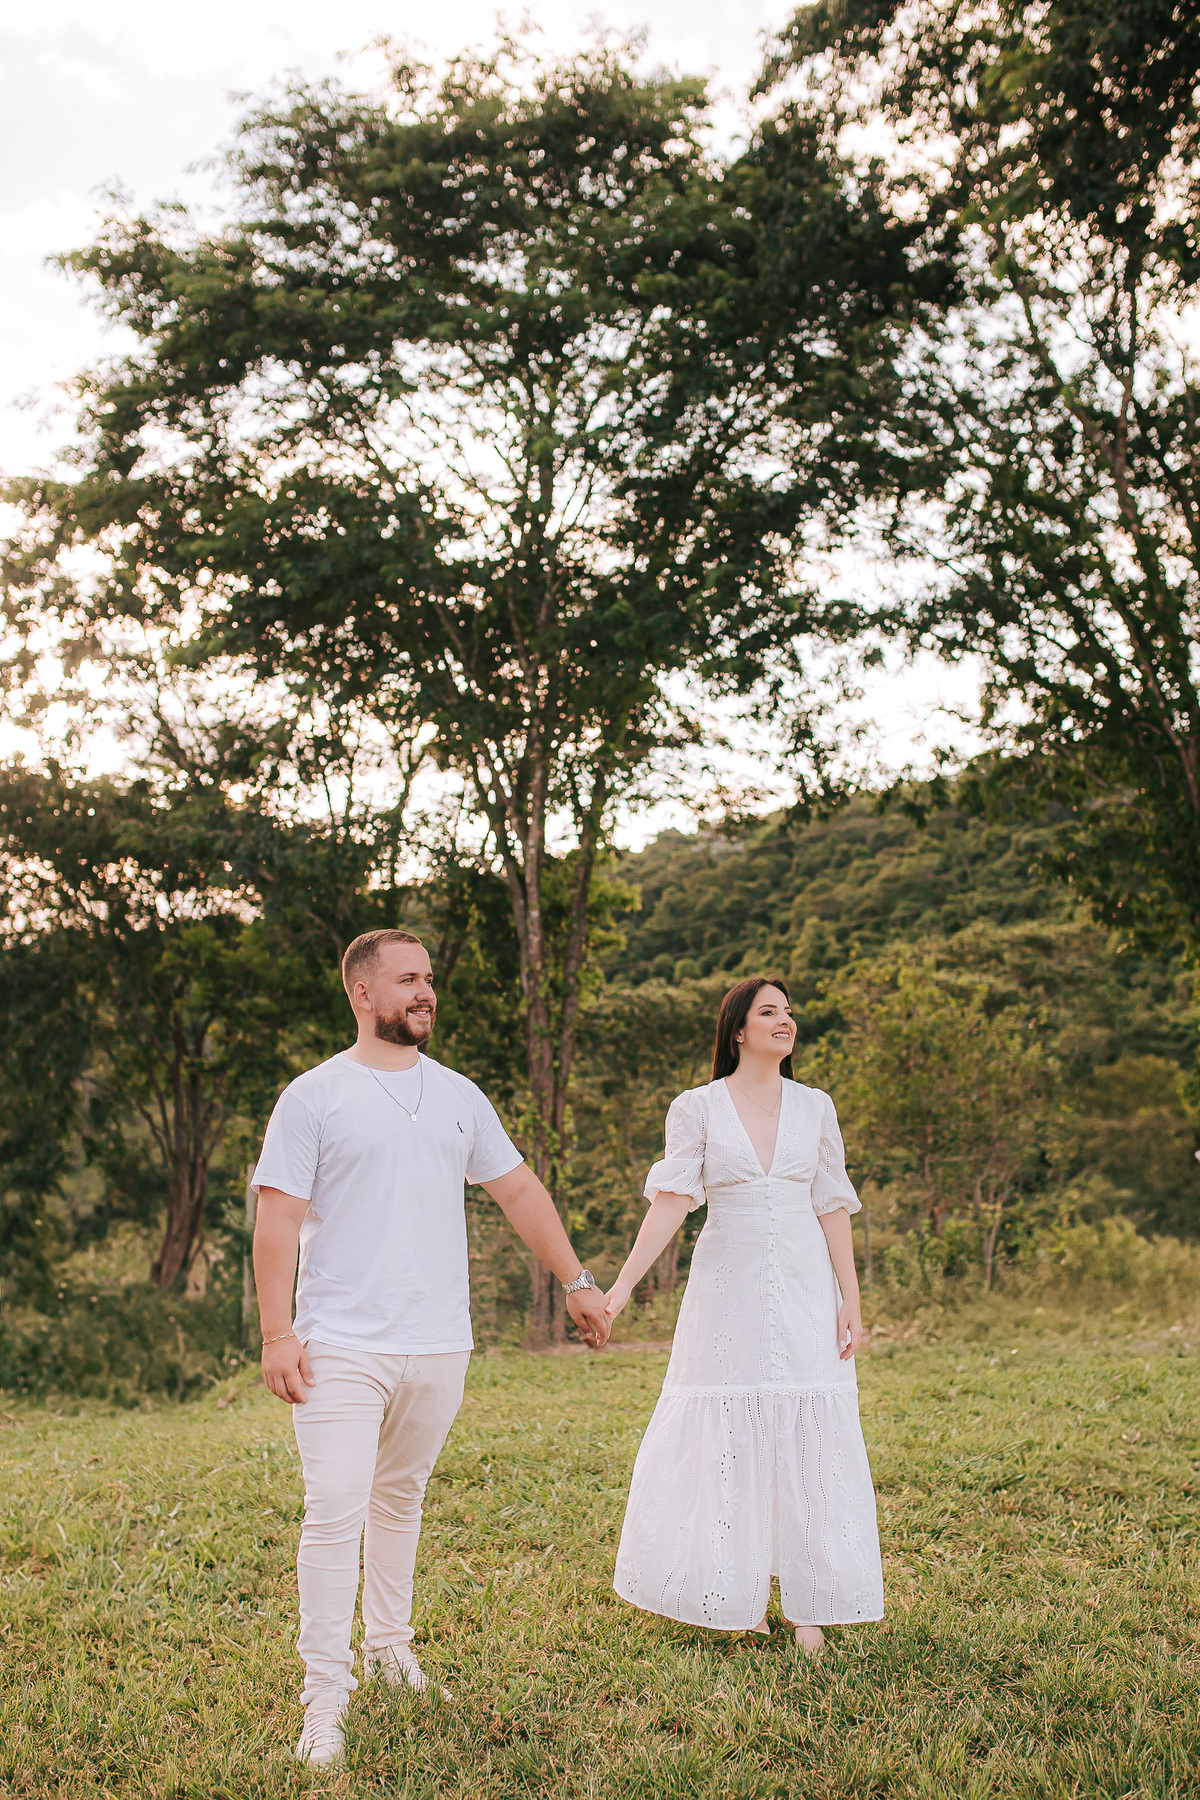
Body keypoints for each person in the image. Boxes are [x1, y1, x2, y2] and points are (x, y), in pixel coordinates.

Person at [252, 928, 610, 1767]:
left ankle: (390, 1650)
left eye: (429, 979)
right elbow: (275, 1219)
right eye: (407, 979)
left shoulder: (458, 1095)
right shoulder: (314, 1096)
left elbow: (517, 1190)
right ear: (362, 994)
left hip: (440, 1340)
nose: (425, 992)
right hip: (340, 1343)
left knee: (399, 1499)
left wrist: (576, 1279)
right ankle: (324, 1695)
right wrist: (277, 1332)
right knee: (335, 1508)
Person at [605, 976, 883, 1654]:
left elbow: (831, 1204)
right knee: (728, 1431)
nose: (785, 1021)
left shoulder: (816, 1106)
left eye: (789, 1011)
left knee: (808, 1431)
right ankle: (737, 1598)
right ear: (737, 1030)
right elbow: (672, 1203)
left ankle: (811, 1606)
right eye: (768, 1011)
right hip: (727, 1287)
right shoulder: (697, 1107)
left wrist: (849, 1296)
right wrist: (619, 1289)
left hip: (805, 1285)